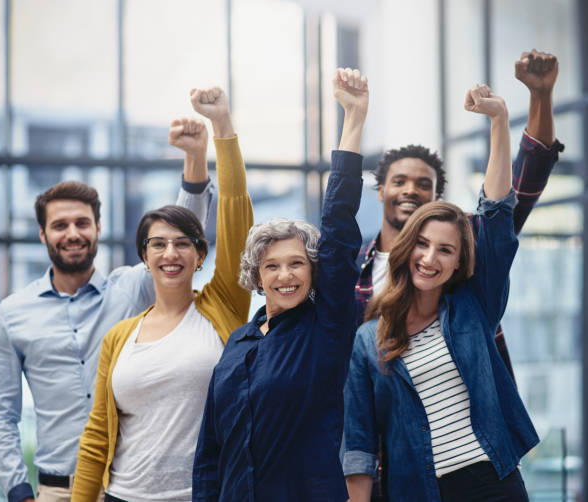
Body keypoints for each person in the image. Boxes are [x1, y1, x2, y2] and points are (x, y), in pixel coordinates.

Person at [0, 115, 213, 501]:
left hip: (124, 487)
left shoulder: (131, 288)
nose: (72, 233)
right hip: (56, 490)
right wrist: (21, 493)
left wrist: (194, 157)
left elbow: (178, 233)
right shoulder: (12, 313)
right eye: (60, 225)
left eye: (82, 223)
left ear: (98, 228)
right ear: (43, 234)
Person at [344, 84, 536, 501]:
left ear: (458, 263)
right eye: (422, 244)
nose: (430, 258)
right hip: (416, 489)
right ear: (406, 248)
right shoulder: (368, 339)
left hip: (493, 484)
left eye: (445, 250)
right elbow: (358, 439)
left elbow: (498, 217)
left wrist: (499, 121)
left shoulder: (473, 307)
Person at [192, 68, 367, 502]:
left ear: (313, 272)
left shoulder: (325, 327)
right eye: (272, 266)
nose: (285, 275)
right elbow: (210, 452)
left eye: (296, 264)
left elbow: (340, 230)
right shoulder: (238, 343)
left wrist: (354, 119)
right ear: (257, 275)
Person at [70, 88, 253, 502]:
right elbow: (98, 435)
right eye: (158, 244)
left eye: (182, 243)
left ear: (200, 254)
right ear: (144, 256)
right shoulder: (121, 337)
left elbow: (236, 210)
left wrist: (222, 125)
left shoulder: (222, 306)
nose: (170, 252)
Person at [355, 49, 563, 381]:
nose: (410, 190)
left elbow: (520, 188)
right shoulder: (353, 266)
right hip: (389, 418)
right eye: (399, 181)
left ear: (435, 197)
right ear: (381, 191)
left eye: (423, 184)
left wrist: (540, 95)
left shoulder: (465, 238)